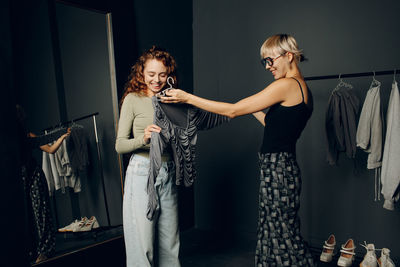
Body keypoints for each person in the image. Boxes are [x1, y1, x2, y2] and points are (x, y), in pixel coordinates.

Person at [159, 34, 315, 266]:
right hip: (282, 166)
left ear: (289, 56)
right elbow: (275, 127)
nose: (268, 67)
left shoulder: (286, 85)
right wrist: (252, 108)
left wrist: (187, 97)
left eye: (270, 60)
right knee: (274, 229)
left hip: (278, 168)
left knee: (282, 234)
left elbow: (232, 111)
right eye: (265, 62)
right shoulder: (303, 89)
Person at [115, 46, 181, 267]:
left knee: (170, 243)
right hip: (142, 171)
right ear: (141, 73)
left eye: (162, 74)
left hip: (168, 172)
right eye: (151, 74)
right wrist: (143, 139)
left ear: (169, 75)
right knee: (143, 246)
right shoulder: (133, 99)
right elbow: (120, 145)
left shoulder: (173, 99)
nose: (157, 79)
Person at [16, 104, 71, 264]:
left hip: (33, 176)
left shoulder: (28, 136)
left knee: (41, 212)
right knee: (24, 217)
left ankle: (45, 250)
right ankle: (30, 249)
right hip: (19, 179)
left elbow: (51, 149)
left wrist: (61, 136)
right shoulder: (8, 141)